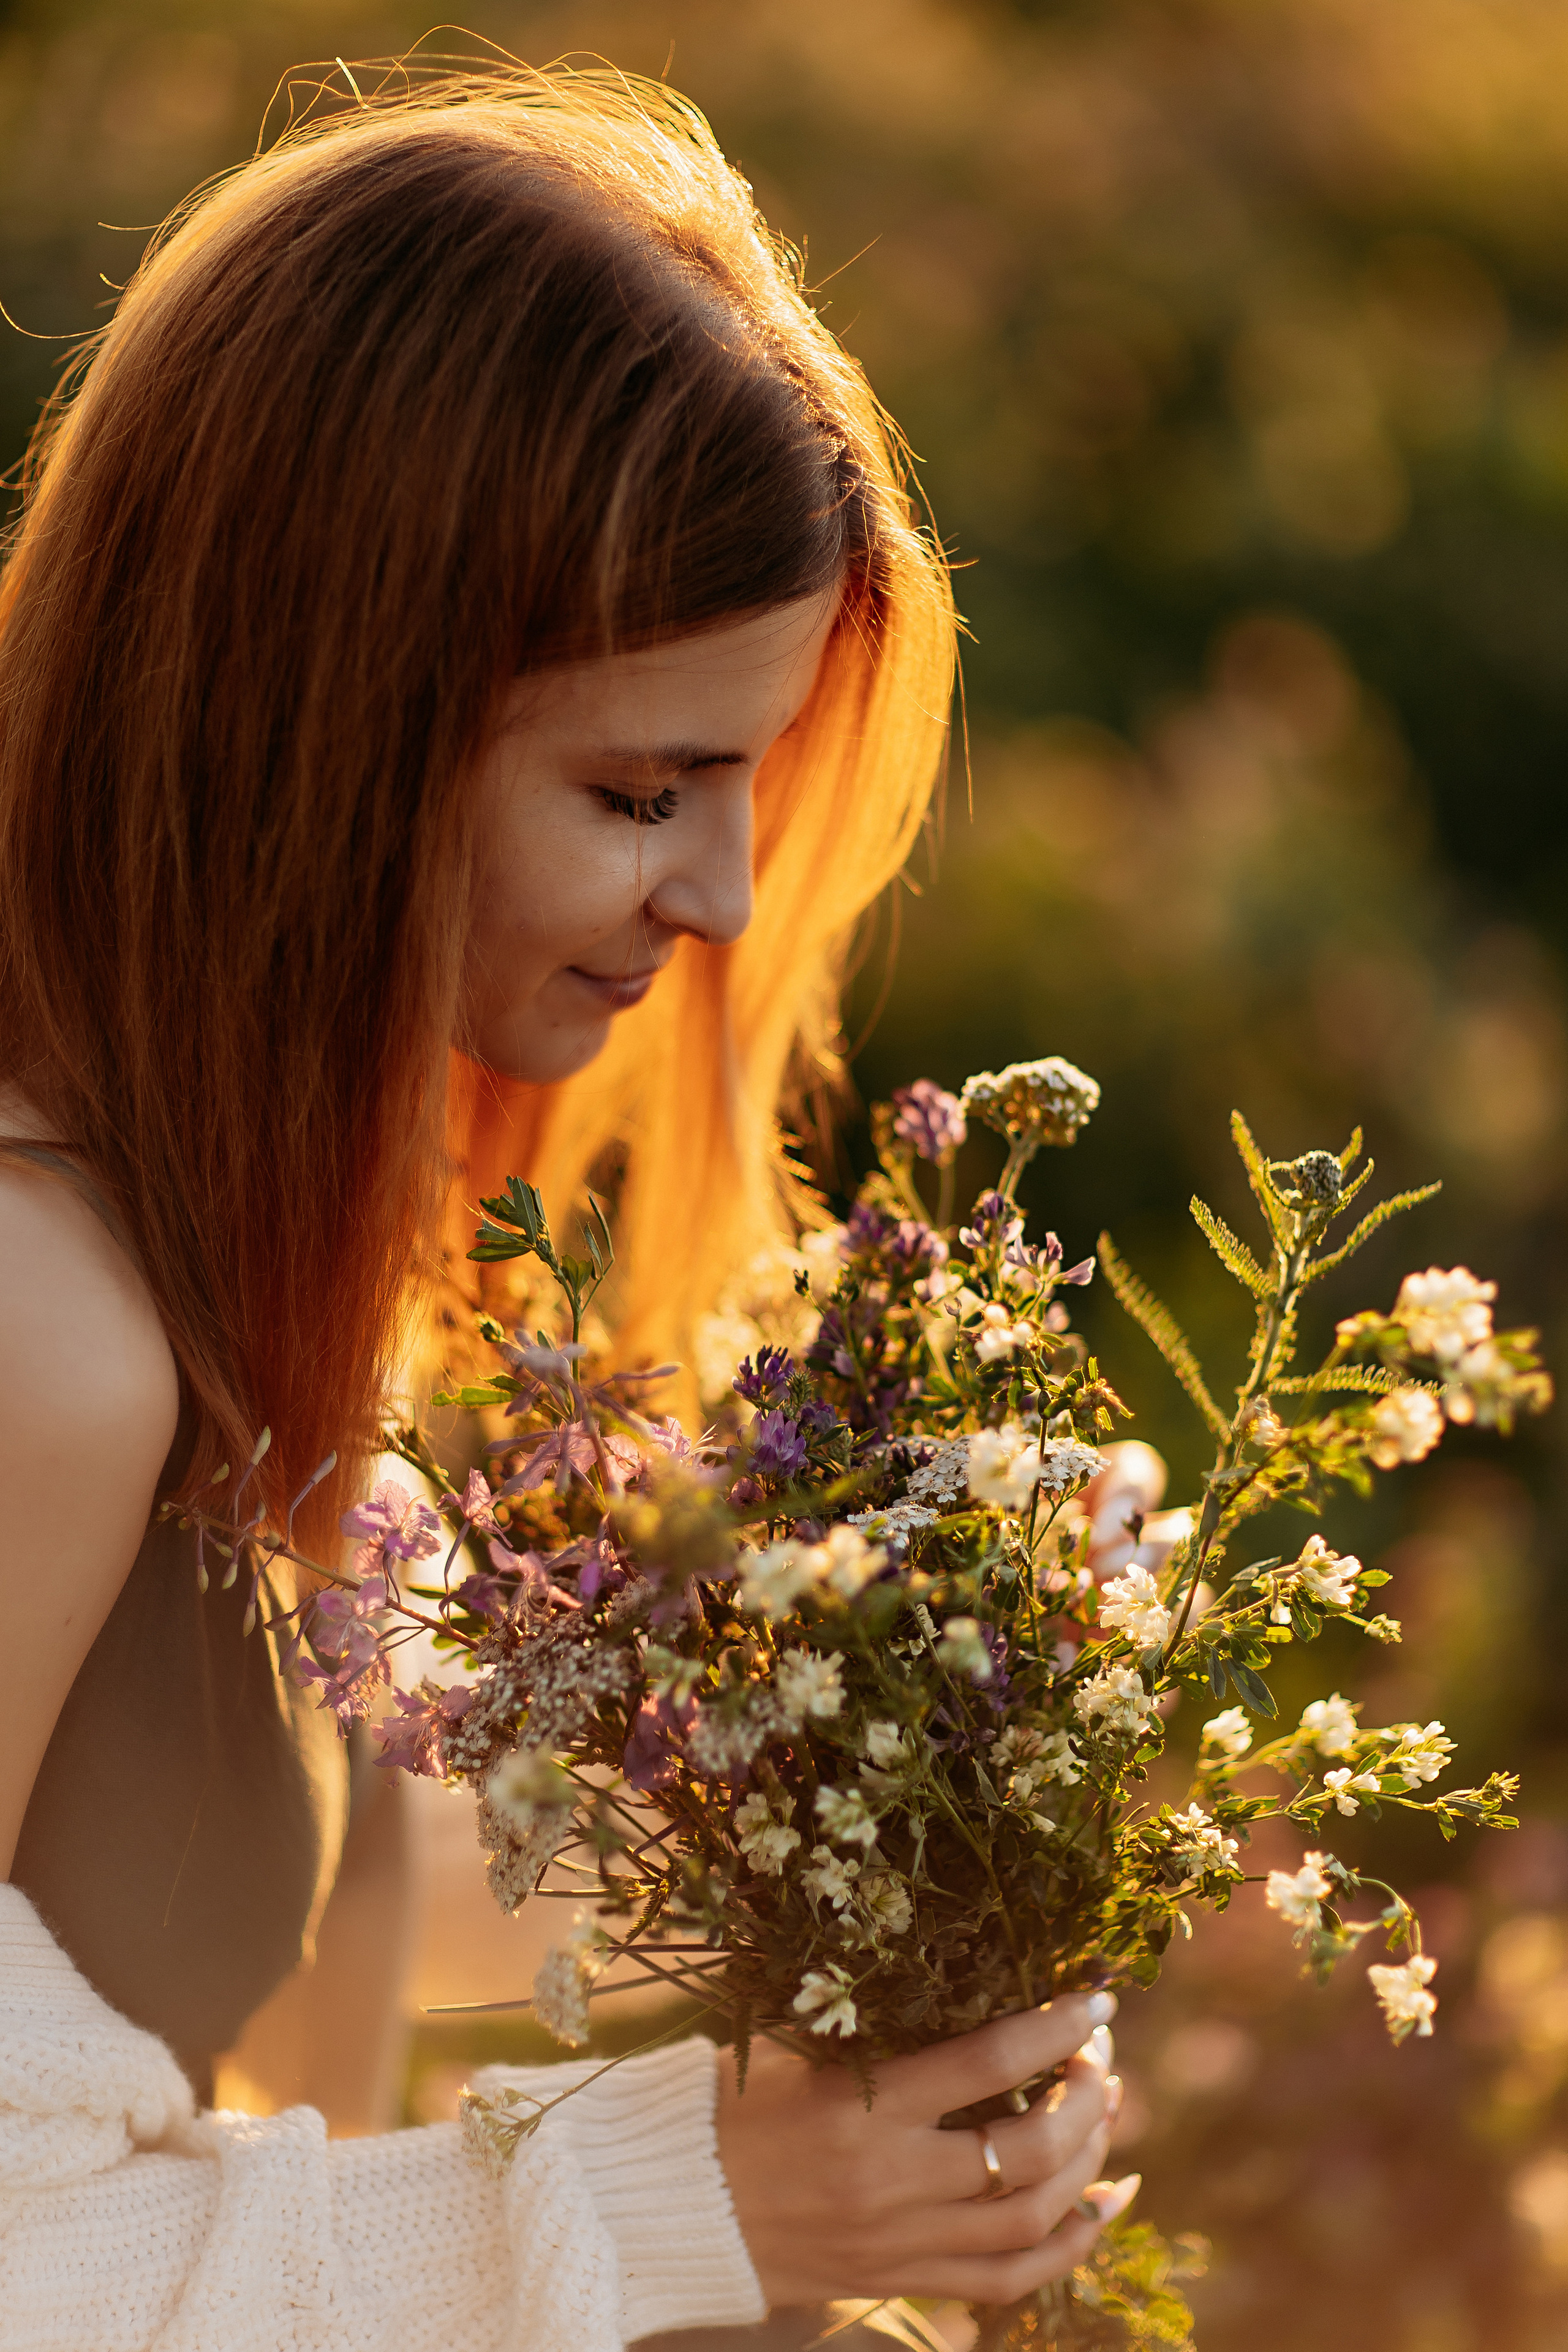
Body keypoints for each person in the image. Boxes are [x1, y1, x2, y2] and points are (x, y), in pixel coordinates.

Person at [0, 61, 1136, 2349]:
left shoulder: (224, 1232)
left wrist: (886, 1838)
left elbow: (221, 1877)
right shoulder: (38, 1331)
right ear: (318, 723)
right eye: (638, 787)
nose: (718, 892)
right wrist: (699, 2198)